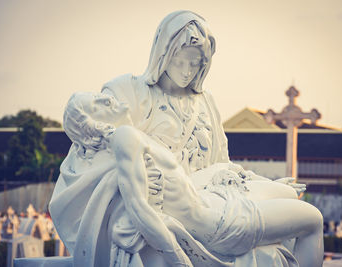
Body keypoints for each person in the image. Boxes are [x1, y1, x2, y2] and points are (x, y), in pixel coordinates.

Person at [49, 10, 323, 267]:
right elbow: (93, 150)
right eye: (180, 61)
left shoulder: (206, 103)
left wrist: (257, 181)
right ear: (163, 53)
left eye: (196, 63)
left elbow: (221, 165)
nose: (187, 71)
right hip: (201, 216)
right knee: (308, 220)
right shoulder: (126, 95)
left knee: (288, 194)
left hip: (217, 193)